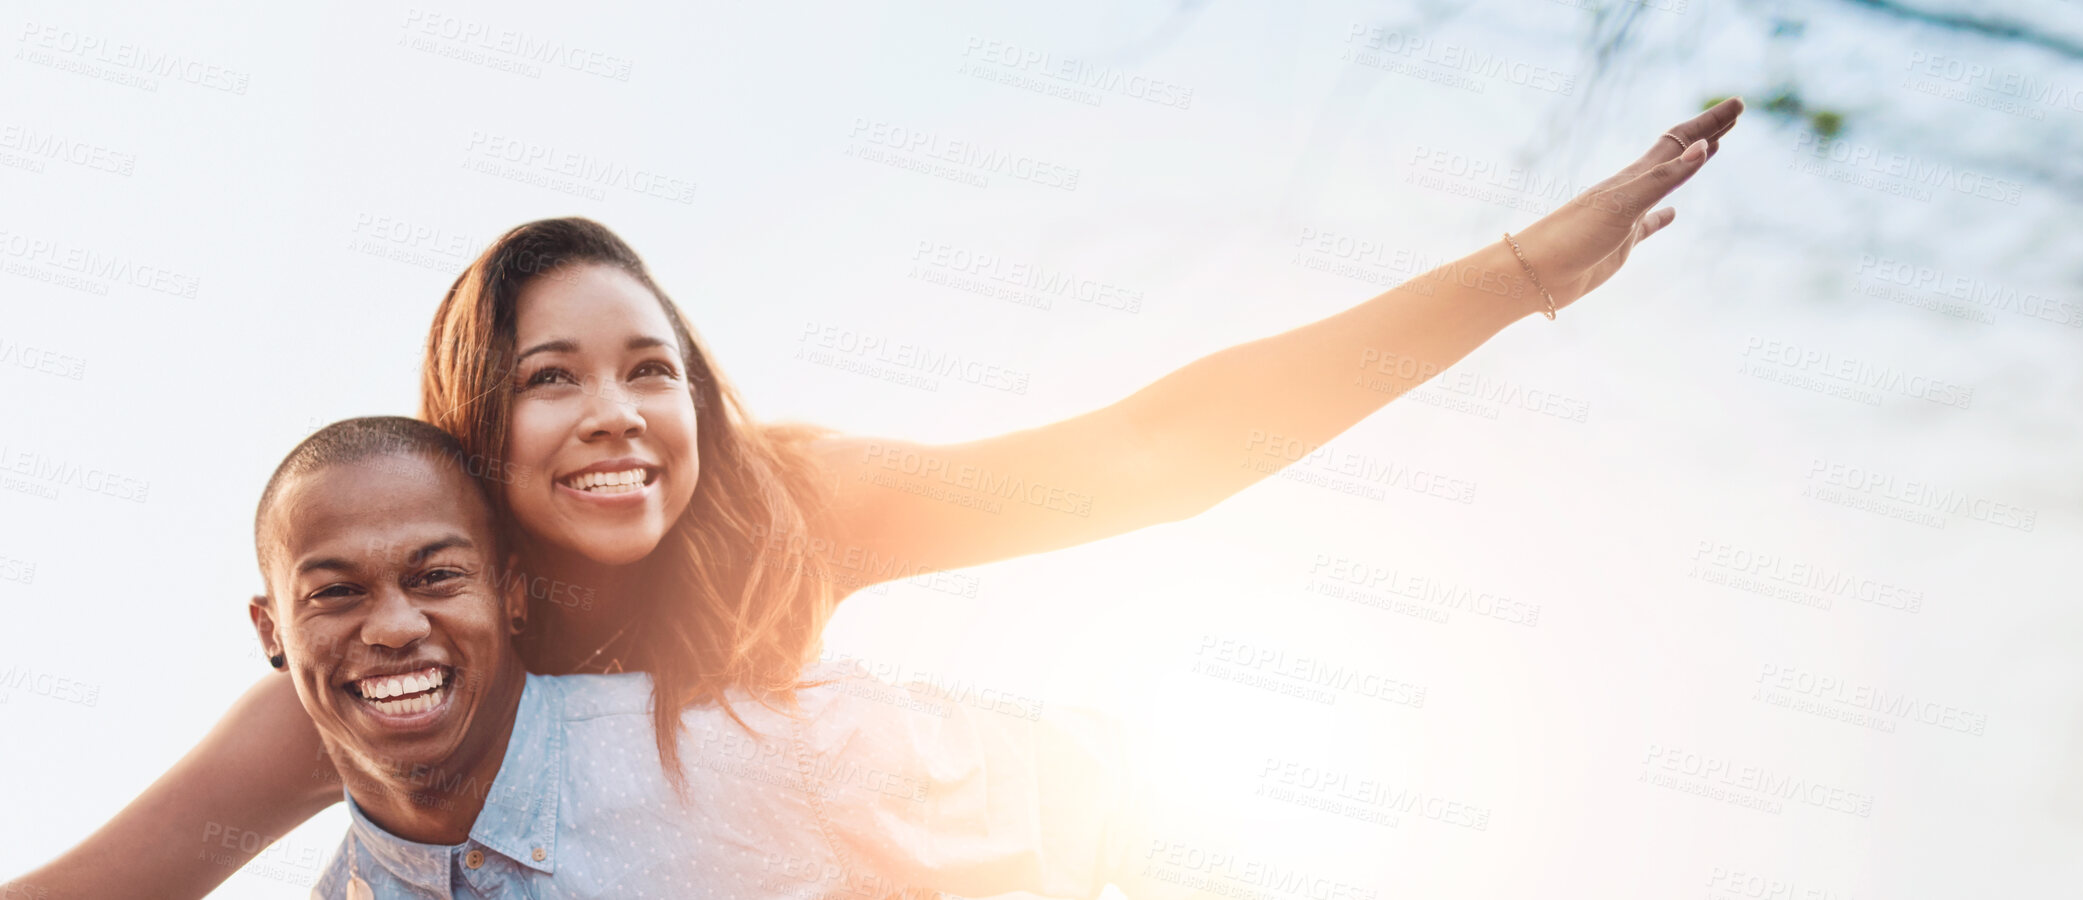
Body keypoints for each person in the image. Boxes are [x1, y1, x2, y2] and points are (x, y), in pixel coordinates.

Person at [4, 99, 1742, 899]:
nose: (617, 420)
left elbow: (1155, 453)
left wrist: (1515, 274)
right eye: (552, 379)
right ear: (475, 433)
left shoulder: (785, 505)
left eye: (650, 368)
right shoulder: (411, 657)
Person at [255, 417, 1140, 899]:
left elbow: (1114, 805)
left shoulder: (754, 749)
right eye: (334, 591)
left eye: (437, 575)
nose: (395, 627)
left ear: (513, 595)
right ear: (271, 631)